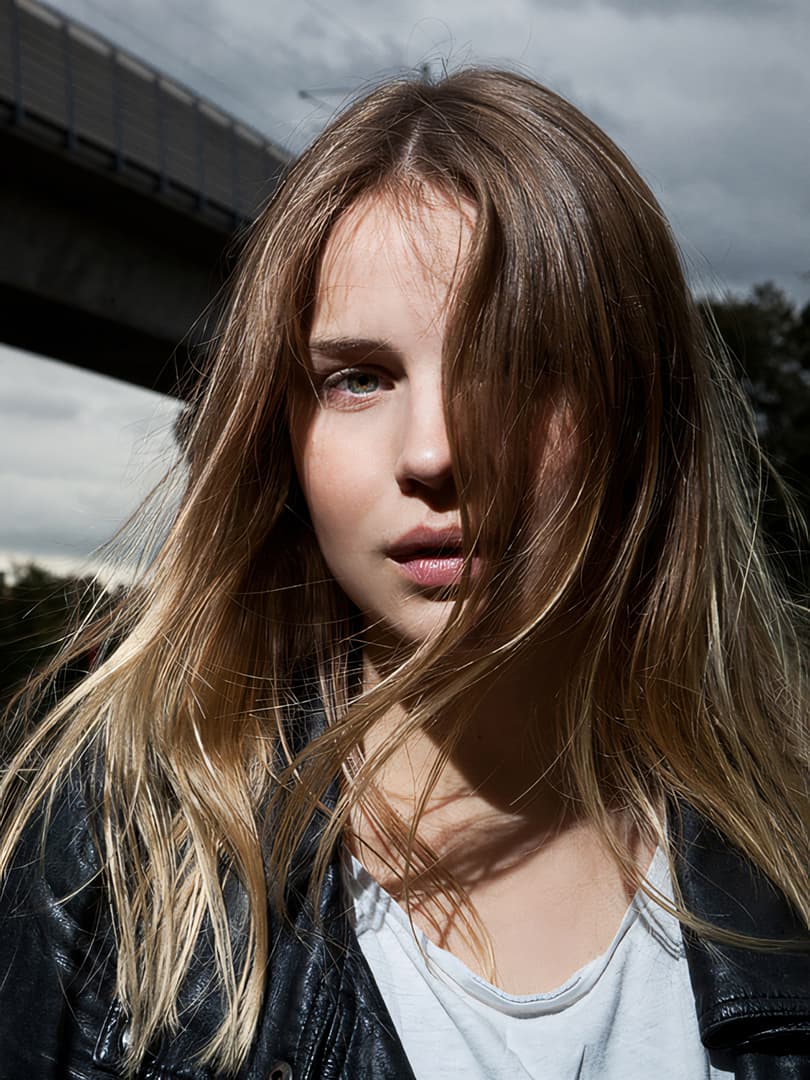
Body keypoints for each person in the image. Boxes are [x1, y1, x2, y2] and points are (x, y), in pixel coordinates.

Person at [0, 67, 808, 1080]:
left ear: (640, 417)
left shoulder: (790, 862)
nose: (432, 450)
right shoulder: (113, 853)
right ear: (279, 436)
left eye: (513, 363)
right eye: (357, 379)